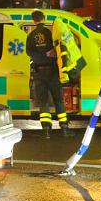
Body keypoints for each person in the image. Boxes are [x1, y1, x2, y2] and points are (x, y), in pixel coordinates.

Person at [26, 10, 72, 139]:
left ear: (33, 20)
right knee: (58, 100)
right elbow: (59, 46)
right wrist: (48, 53)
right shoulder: (50, 33)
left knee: (43, 102)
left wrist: (40, 55)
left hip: (38, 72)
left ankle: (46, 130)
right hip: (52, 71)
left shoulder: (30, 35)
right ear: (44, 18)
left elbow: (29, 52)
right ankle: (64, 129)